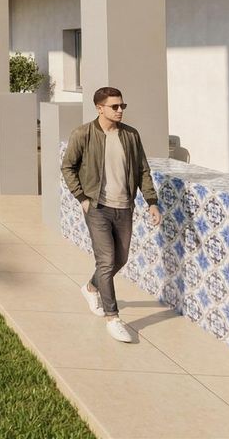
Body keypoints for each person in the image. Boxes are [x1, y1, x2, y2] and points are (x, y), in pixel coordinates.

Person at [61, 86, 162, 344]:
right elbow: (68, 167)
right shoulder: (83, 134)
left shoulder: (130, 135)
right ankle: (113, 317)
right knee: (106, 260)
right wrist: (82, 198)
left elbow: (142, 170)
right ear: (100, 108)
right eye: (114, 107)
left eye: (122, 106)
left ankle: (91, 287)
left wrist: (151, 201)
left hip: (124, 206)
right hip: (97, 207)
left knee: (121, 258)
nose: (119, 111)